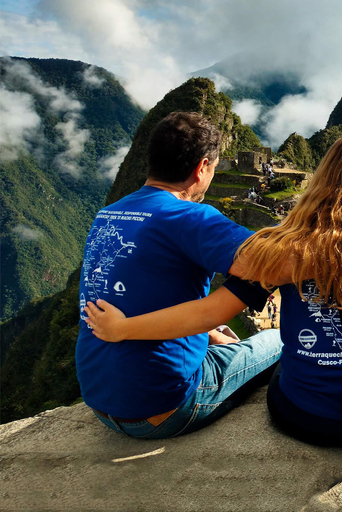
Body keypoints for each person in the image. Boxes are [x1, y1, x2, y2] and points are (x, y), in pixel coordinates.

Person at [86, 133, 342, 449]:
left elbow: (212, 311)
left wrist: (123, 329)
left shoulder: (287, 253)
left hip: (306, 418)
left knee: (281, 348)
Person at [78, 112, 283, 439]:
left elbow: (147, 291)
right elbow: (271, 261)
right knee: (279, 339)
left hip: (103, 403)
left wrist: (211, 334)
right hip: (167, 407)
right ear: (202, 167)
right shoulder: (190, 216)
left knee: (221, 336)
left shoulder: (108, 214)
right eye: (213, 169)